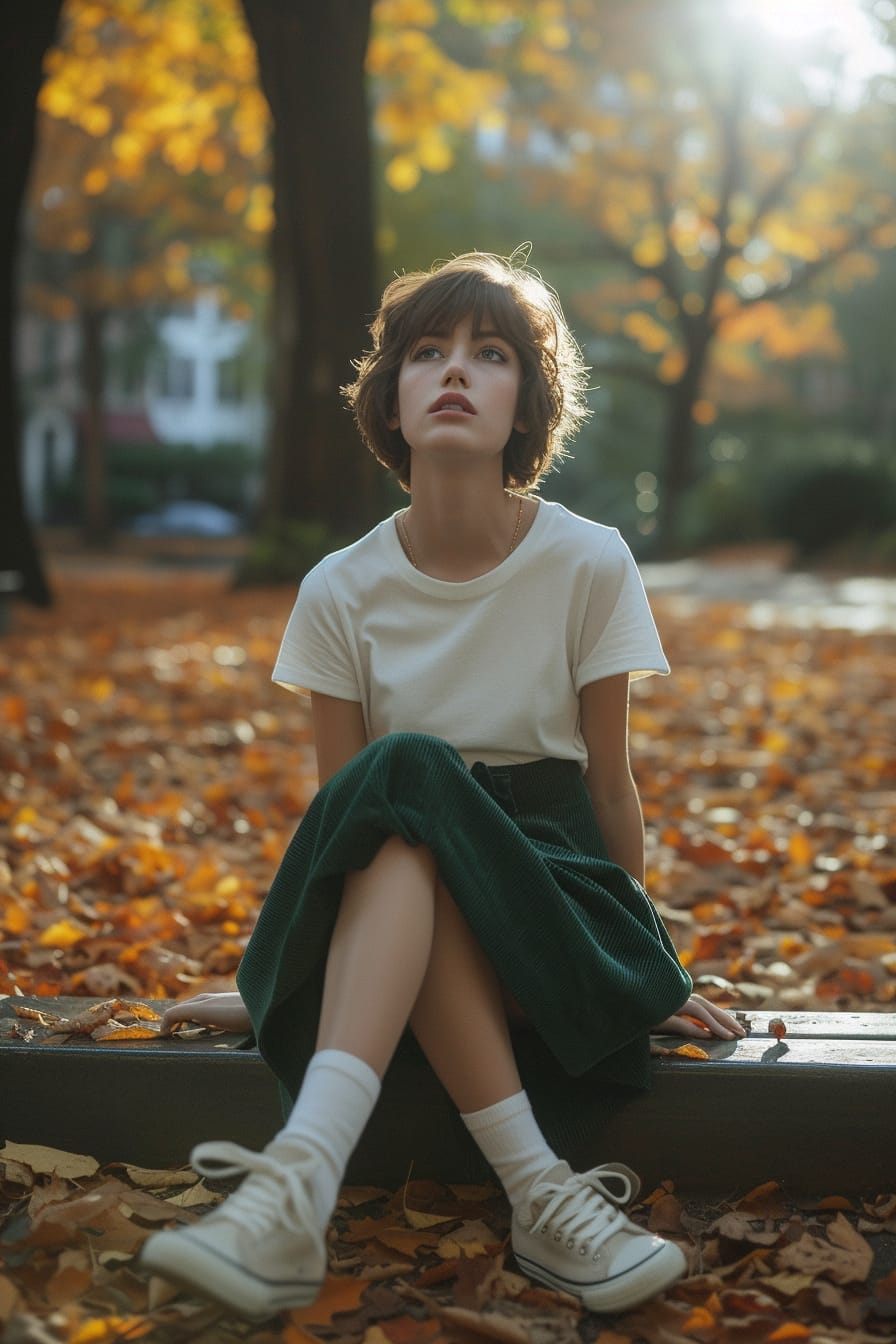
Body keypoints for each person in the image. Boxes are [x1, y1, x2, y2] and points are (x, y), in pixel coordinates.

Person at [139, 250, 744, 1321]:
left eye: (489, 353)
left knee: (406, 773)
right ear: (393, 400)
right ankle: (534, 1196)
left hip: (549, 895)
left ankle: (292, 1185)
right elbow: (349, 830)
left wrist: (635, 960)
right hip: (405, 886)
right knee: (401, 798)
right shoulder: (338, 590)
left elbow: (610, 786)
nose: (455, 370)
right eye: (428, 352)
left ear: (524, 406)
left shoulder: (587, 561)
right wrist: (281, 971)